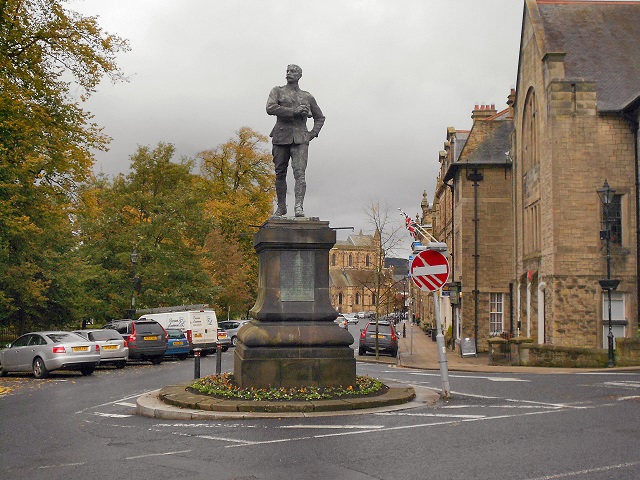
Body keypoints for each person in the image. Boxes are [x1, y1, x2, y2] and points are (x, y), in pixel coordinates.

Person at [266, 64, 325, 217]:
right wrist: (293, 111)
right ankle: (281, 207)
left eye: (293, 71)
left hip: (300, 138)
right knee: (280, 173)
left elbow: (320, 117)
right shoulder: (277, 91)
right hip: (280, 136)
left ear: (299, 75)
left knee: (300, 174)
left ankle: (299, 207)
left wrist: (312, 134)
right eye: (287, 71)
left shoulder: (307, 96)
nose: (289, 73)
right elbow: (270, 108)